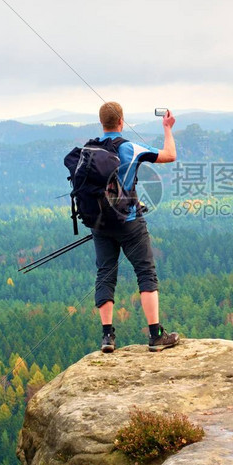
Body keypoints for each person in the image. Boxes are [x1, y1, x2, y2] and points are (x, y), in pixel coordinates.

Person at [92, 101, 180, 353]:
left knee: (105, 273)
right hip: (130, 222)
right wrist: (167, 128)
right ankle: (156, 335)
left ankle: (107, 337)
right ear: (121, 121)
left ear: (102, 123)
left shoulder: (90, 149)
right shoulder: (130, 148)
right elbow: (170, 155)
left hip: (100, 224)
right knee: (145, 272)